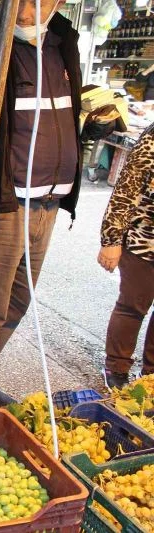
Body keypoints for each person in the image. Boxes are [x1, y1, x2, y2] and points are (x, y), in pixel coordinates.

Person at [0, 0, 81, 406]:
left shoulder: (63, 42)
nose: (27, 6)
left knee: (18, 300)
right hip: (7, 204)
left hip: (49, 201)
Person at [97, 124, 154, 388]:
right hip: (144, 240)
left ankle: (151, 375)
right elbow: (125, 191)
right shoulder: (152, 138)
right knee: (133, 307)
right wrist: (111, 239)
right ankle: (116, 368)